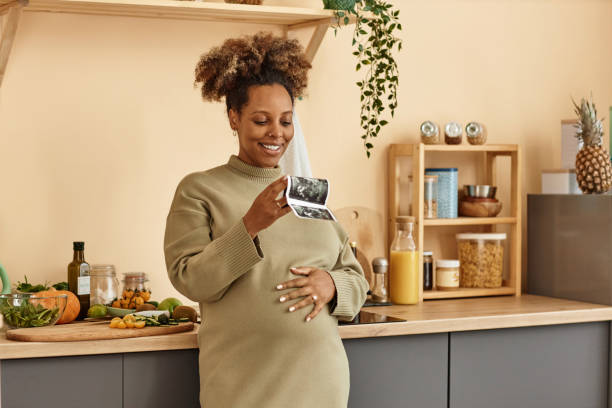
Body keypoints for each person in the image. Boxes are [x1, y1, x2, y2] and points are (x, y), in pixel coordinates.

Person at [164, 32, 369, 408]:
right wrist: (250, 225)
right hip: (242, 391)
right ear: (234, 117)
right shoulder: (200, 190)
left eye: (286, 121)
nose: (277, 132)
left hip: (323, 387)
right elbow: (190, 279)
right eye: (262, 120)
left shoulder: (305, 191)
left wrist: (333, 285)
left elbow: (356, 279)